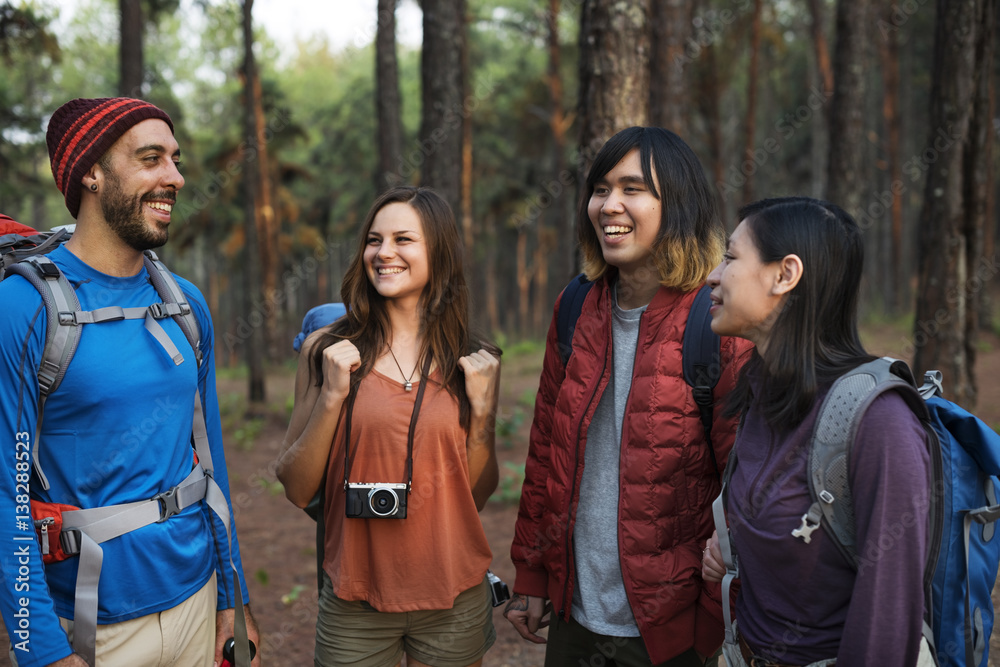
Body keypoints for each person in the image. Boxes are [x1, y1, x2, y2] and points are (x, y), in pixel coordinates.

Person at [0, 98, 259, 667]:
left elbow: (210, 465)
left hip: (196, 602)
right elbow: (5, 496)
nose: (176, 177)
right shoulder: (22, 307)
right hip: (92, 623)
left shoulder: (184, 304)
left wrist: (232, 599)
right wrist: (40, 649)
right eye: (150, 159)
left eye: (175, 159)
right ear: (91, 173)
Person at [506, 126, 755, 666]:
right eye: (600, 188)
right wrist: (533, 570)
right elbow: (545, 449)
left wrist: (712, 610)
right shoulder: (575, 306)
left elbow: (746, 480)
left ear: (678, 204)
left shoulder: (714, 322)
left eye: (633, 188)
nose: (609, 204)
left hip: (675, 626)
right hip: (575, 613)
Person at [276, 185, 502, 667]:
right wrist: (332, 397)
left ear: (438, 253)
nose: (384, 253)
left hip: (453, 597)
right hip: (354, 598)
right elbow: (297, 487)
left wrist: (482, 415)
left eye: (404, 239)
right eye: (374, 240)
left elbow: (476, 496)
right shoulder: (325, 350)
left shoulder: (472, 359)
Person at [701, 197, 932, 665]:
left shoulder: (881, 421)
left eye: (729, 257)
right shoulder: (760, 391)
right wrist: (736, 549)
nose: (712, 275)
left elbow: (886, 626)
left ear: (785, 275)